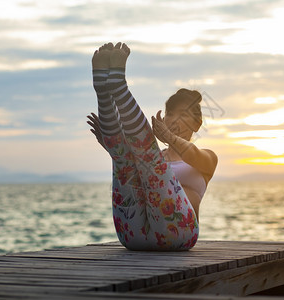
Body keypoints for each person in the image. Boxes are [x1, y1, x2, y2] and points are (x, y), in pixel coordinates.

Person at [86, 42, 218, 251]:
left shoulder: (207, 158)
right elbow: (131, 175)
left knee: (148, 157)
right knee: (125, 159)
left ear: (197, 124)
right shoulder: (154, 156)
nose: (174, 120)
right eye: (170, 114)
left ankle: (118, 88)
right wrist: (112, 146)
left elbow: (191, 153)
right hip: (133, 237)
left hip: (179, 235)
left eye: (182, 115)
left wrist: (167, 137)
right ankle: (104, 92)